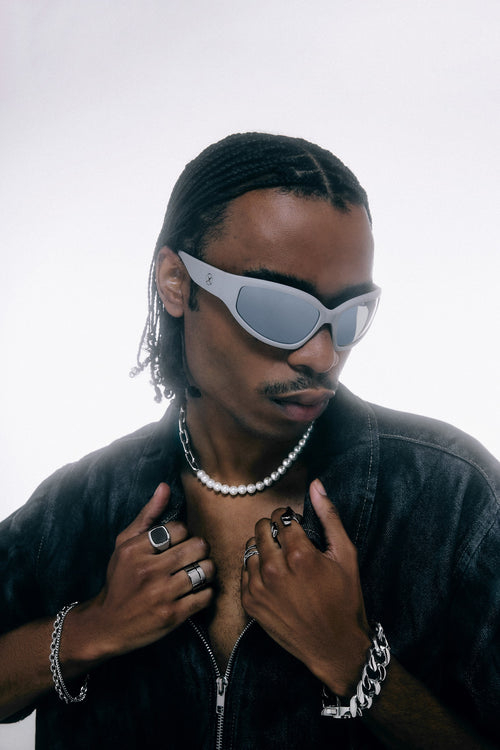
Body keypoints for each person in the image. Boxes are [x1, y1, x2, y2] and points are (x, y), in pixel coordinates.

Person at [0, 132, 498, 750]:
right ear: (177, 282)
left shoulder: (450, 500)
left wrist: (355, 664)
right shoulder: (80, 504)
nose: (321, 355)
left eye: (348, 316)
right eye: (278, 310)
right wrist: (90, 630)